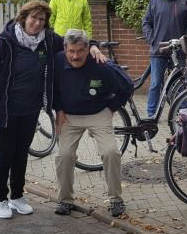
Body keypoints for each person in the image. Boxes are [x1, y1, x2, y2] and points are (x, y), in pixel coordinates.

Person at [0, 0, 105, 220]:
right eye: (33, 18)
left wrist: (92, 44)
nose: (37, 23)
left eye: (42, 20)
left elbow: (72, 42)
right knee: (3, 154)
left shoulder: (48, 41)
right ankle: (0, 199)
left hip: (30, 108)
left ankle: (17, 196)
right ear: (24, 18)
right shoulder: (5, 42)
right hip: (4, 109)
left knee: (21, 153)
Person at [53, 29, 131, 218]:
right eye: (71, 51)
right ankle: (65, 199)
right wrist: (58, 109)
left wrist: (111, 108)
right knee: (64, 155)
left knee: (110, 152)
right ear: (65, 49)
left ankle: (116, 199)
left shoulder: (101, 64)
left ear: (88, 49)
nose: (75, 56)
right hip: (69, 116)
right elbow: (50, 87)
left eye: (80, 51)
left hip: (98, 113)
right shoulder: (56, 61)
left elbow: (127, 85)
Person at [141, 0, 187, 118]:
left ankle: (182, 114)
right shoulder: (154, 2)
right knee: (155, 84)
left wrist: (186, 37)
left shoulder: (184, 2)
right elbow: (146, 22)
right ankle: (151, 114)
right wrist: (152, 39)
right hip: (159, 50)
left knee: (180, 83)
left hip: (178, 51)